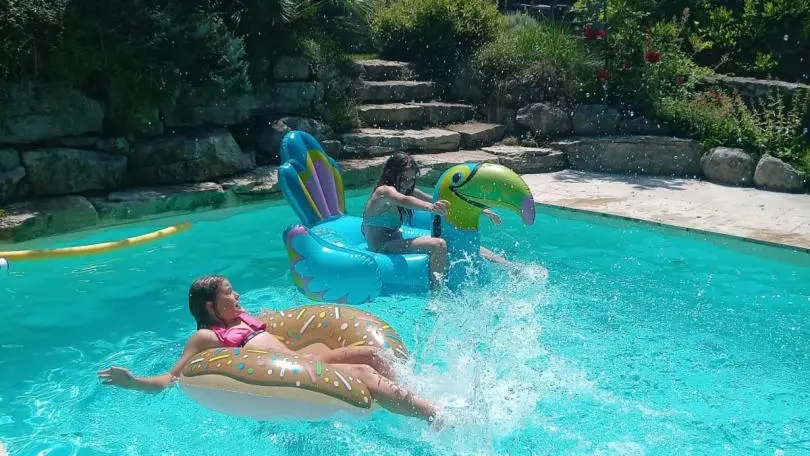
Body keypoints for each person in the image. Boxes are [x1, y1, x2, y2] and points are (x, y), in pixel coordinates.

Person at [98, 275, 441, 425]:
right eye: (229, 294)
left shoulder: (245, 319)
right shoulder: (207, 337)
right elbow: (172, 377)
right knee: (365, 373)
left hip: (306, 360)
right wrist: (135, 382)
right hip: (300, 372)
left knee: (370, 352)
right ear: (211, 306)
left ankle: (410, 397)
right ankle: (433, 416)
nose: (237, 297)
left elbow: (278, 326)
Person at [362, 153, 510, 288]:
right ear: (392, 174)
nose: (407, 184)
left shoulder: (407, 190)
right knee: (439, 244)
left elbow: (440, 200)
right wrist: (430, 207)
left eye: (412, 179)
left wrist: (480, 210)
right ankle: (437, 293)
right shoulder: (384, 192)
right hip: (382, 246)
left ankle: (508, 266)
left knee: (455, 238)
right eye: (404, 178)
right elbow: (404, 200)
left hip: (397, 241)